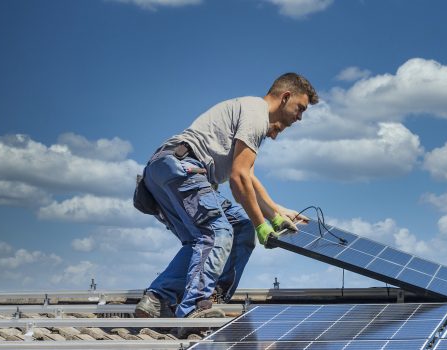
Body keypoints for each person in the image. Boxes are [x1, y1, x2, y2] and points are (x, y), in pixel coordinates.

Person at [135, 73, 318, 318]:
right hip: (184, 168)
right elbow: (238, 179)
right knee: (217, 232)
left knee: (238, 227)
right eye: (300, 108)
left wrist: (277, 211)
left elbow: (248, 177)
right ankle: (196, 308)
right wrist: (262, 226)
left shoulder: (248, 112)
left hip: (164, 171)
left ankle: (157, 298)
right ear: (285, 97)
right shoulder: (257, 114)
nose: (299, 117)